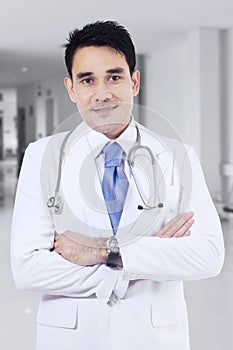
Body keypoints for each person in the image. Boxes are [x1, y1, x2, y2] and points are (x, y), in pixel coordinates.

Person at [11, 21, 224, 350]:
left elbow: (208, 255)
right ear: (71, 89)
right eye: (87, 80)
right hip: (71, 338)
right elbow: (28, 269)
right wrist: (143, 260)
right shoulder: (42, 157)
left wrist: (103, 251)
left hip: (152, 338)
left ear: (134, 81)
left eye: (114, 76)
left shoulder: (178, 156)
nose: (102, 93)